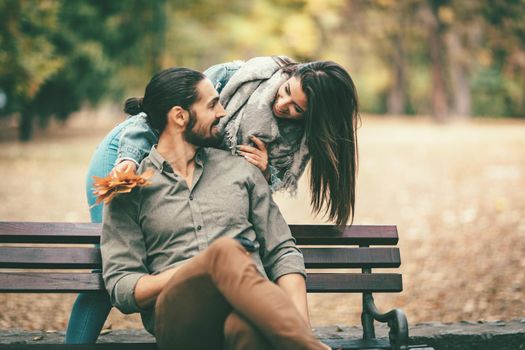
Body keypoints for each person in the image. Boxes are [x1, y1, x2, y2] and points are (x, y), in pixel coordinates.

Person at [65, 56, 359, 343]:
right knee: (222, 254)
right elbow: (122, 283)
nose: (223, 112)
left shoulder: (247, 166)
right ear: (181, 115)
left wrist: (265, 173)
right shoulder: (131, 186)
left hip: (244, 306)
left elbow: (282, 250)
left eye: (297, 108)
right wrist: (205, 268)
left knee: (245, 328)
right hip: (176, 312)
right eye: (214, 105)